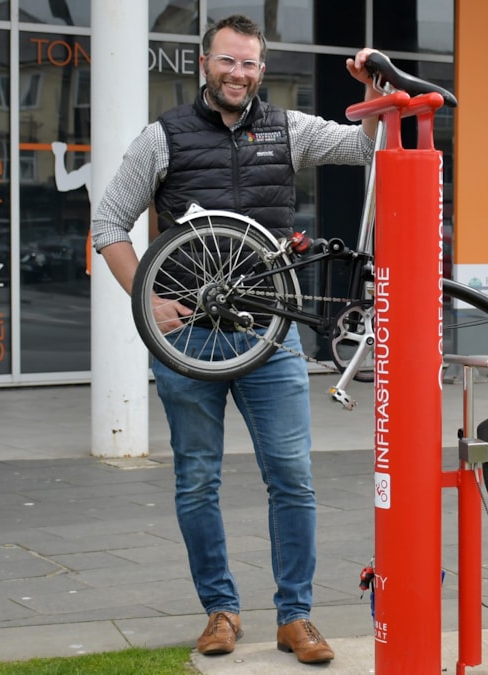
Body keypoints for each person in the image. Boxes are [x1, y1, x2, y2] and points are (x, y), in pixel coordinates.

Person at [90, 14, 382, 665]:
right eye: (228, 62)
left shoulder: (287, 129)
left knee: (293, 477)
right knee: (197, 479)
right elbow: (108, 223)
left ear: (260, 68)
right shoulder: (162, 137)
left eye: (249, 64)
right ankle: (220, 611)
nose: (239, 74)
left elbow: (363, 148)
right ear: (204, 64)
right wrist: (149, 301)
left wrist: (370, 94)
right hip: (188, 339)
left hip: (269, 335)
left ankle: (295, 617)